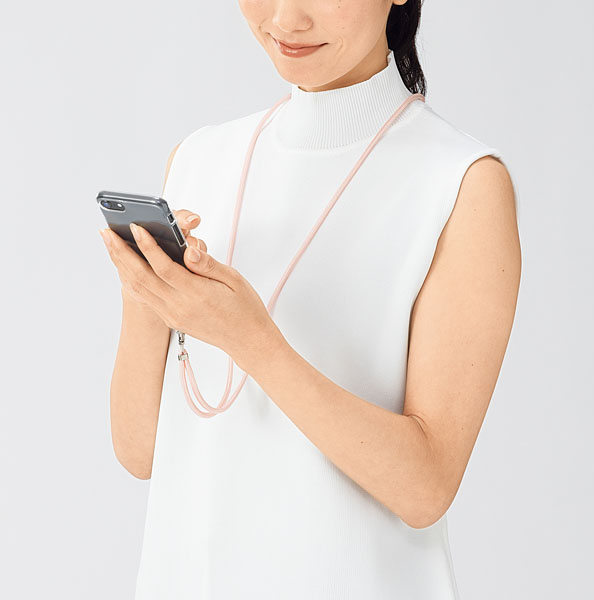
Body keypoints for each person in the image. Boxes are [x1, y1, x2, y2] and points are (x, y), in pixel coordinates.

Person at [99, 1, 521, 598]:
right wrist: (147, 292)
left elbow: (425, 489)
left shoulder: (461, 183)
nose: (286, 20)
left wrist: (250, 340)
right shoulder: (198, 159)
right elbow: (141, 452)